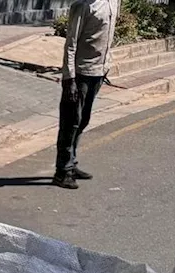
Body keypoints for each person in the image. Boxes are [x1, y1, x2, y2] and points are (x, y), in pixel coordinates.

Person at [54, 0, 117, 189]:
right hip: (80, 74)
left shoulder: (113, 2)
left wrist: (106, 66)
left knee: (83, 121)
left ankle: (71, 163)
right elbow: (71, 44)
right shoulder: (82, 5)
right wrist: (69, 79)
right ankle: (62, 171)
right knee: (71, 122)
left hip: (98, 73)